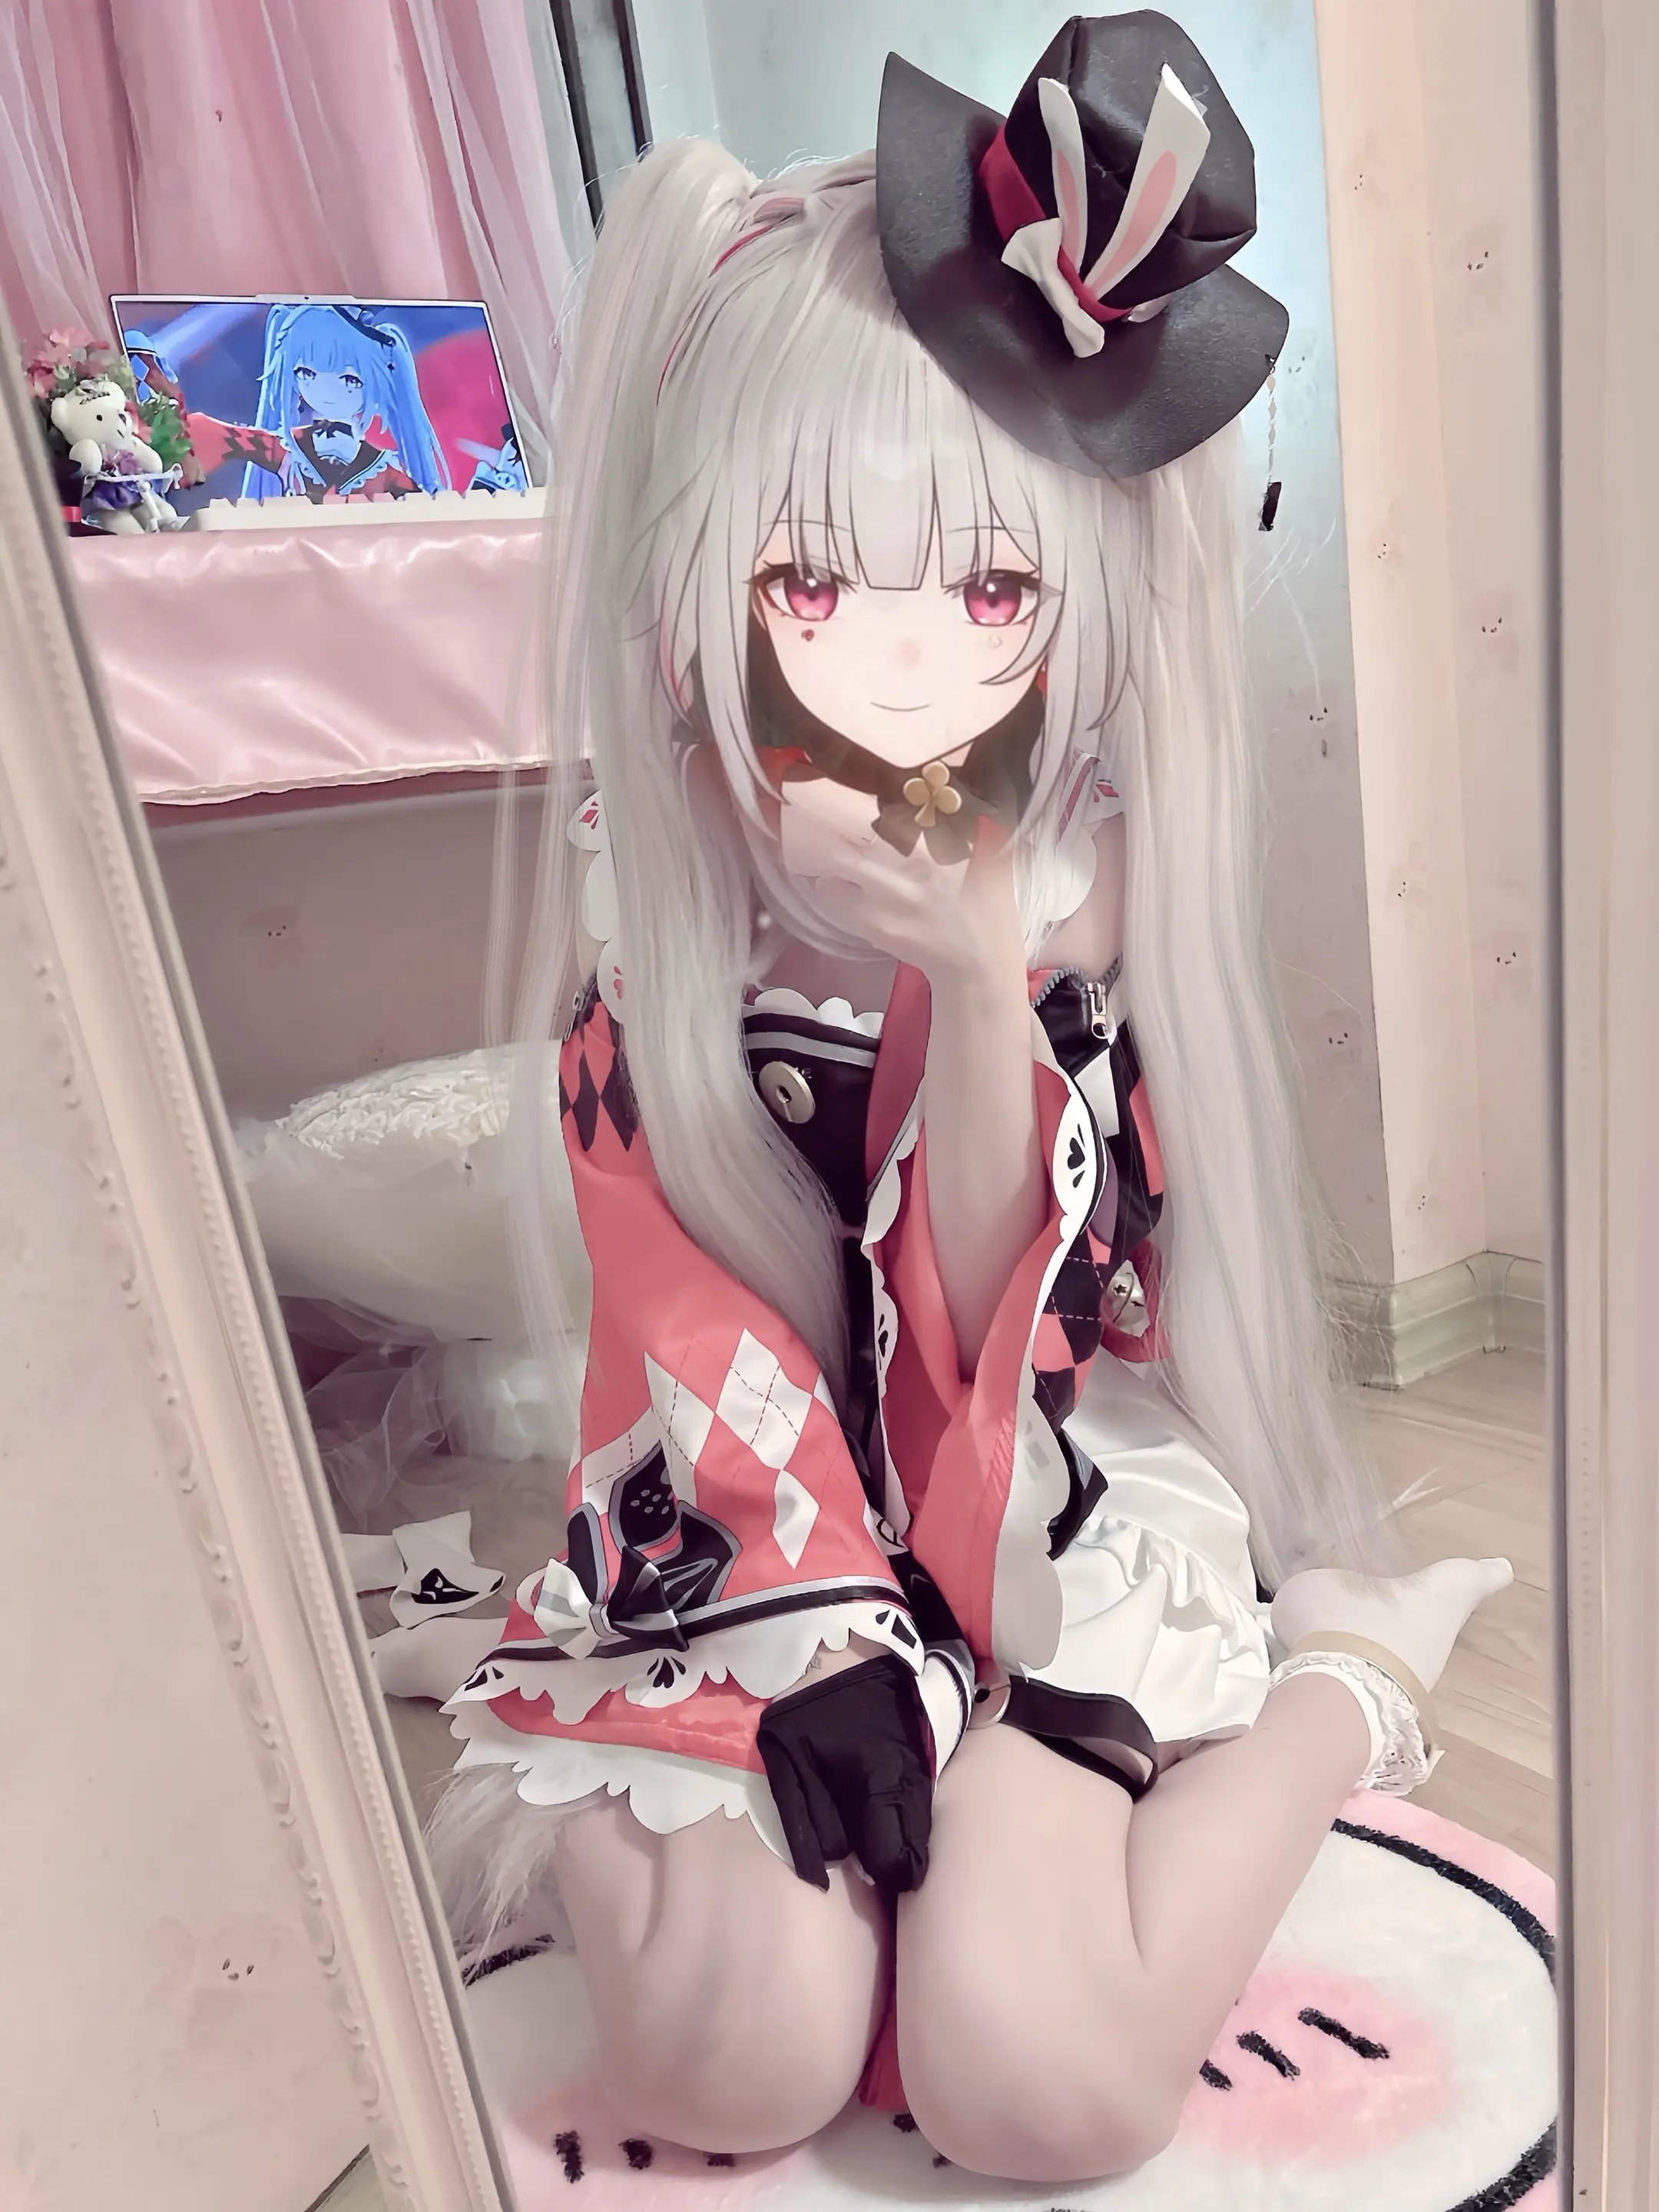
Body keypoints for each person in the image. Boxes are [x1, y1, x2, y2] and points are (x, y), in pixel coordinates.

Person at [429, 15, 1511, 2182]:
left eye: (992, 588)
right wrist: (813, 1619)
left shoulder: (1076, 937)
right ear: (696, 612)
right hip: (755, 1526)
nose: (903, 666)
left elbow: (1014, 1316)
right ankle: (604, 1748)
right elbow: (683, 1321)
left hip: (1031, 1515)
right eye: (812, 585)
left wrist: (969, 973)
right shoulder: (660, 972)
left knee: (1039, 2080)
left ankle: (1347, 1688)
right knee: (734, 2064)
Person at [180, 301, 449, 500]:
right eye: (307, 374)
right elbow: (218, 437)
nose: (326, 392)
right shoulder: (288, 448)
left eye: (350, 380)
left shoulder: (384, 469)